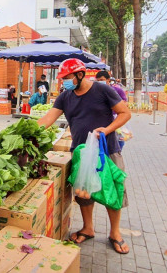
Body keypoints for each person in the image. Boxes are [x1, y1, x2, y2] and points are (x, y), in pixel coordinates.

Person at [38, 58, 131, 254]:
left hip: (107, 151)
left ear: (80, 75)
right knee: (83, 192)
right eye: (62, 78)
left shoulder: (102, 90)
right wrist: (27, 131)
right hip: (80, 152)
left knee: (113, 191)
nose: (64, 82)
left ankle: (115, 232)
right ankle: (88, 228)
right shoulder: (65, 96)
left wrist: (107, 130)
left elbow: (125, 113)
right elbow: (48, 118)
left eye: (67, 78)